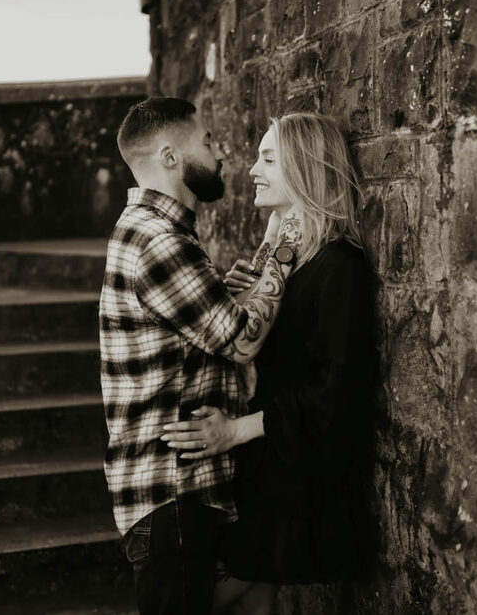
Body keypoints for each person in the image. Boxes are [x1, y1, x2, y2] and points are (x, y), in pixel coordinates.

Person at [160, 113, 377, 615]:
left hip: (293, 471)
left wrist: (235, 432)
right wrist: (253, 285)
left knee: (217, 595)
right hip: (269, 464)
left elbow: (337, 395)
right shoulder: (291, 263)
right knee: (256, 600)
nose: (252, 169)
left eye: (269, 159)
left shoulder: (340, 266)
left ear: (304, 169)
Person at [99, 97, 303, 615]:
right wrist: (284, 247)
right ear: (170, 157)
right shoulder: (159, 242)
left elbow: (210, 332)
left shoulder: (159, 233)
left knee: (254, 595)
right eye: (208, 141)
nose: (221, 152)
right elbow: (242, 341)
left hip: (184, 493)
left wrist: (253, 274)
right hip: (173, 493)